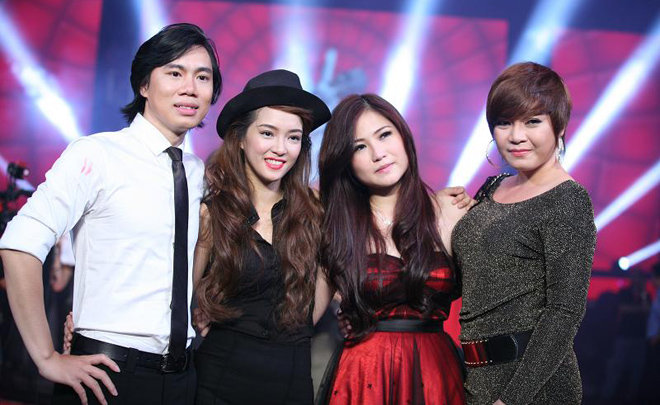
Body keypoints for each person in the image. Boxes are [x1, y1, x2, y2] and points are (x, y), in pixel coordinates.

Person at [0, 23, 222, 405]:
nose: (190, 87)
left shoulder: (198, 172)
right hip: (107, 376)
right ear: (144, 85)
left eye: (203, 77)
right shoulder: (97, 154)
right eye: (175, 73)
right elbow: (20, 243)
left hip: (182, 379)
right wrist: (46, 357)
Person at [451, 62, 597, 405]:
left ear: (559, 125)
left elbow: (564, 312)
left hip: (534, 387)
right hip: (475, 377)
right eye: (504, 122)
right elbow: (472, 274)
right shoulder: (494, 186)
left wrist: (511, 400)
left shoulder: (568, 200)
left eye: (532, 121)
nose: (516, 136)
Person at [316, 94, 467, 405]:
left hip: (435, 371)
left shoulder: (453, 211)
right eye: (359, 147)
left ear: (403, 135)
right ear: (345, 161)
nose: (378, 154)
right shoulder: (336, 229)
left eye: (384, 135)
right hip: (363, 374)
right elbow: (301, 318)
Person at [192, 69, 331, 404]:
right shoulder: (212, 213)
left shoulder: (316, 214)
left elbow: (314, 306)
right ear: (240, 138)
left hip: (292, 379)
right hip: (219, 379)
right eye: (267, 133)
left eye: (293, 138)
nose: (280, 148)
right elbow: (184, 297)